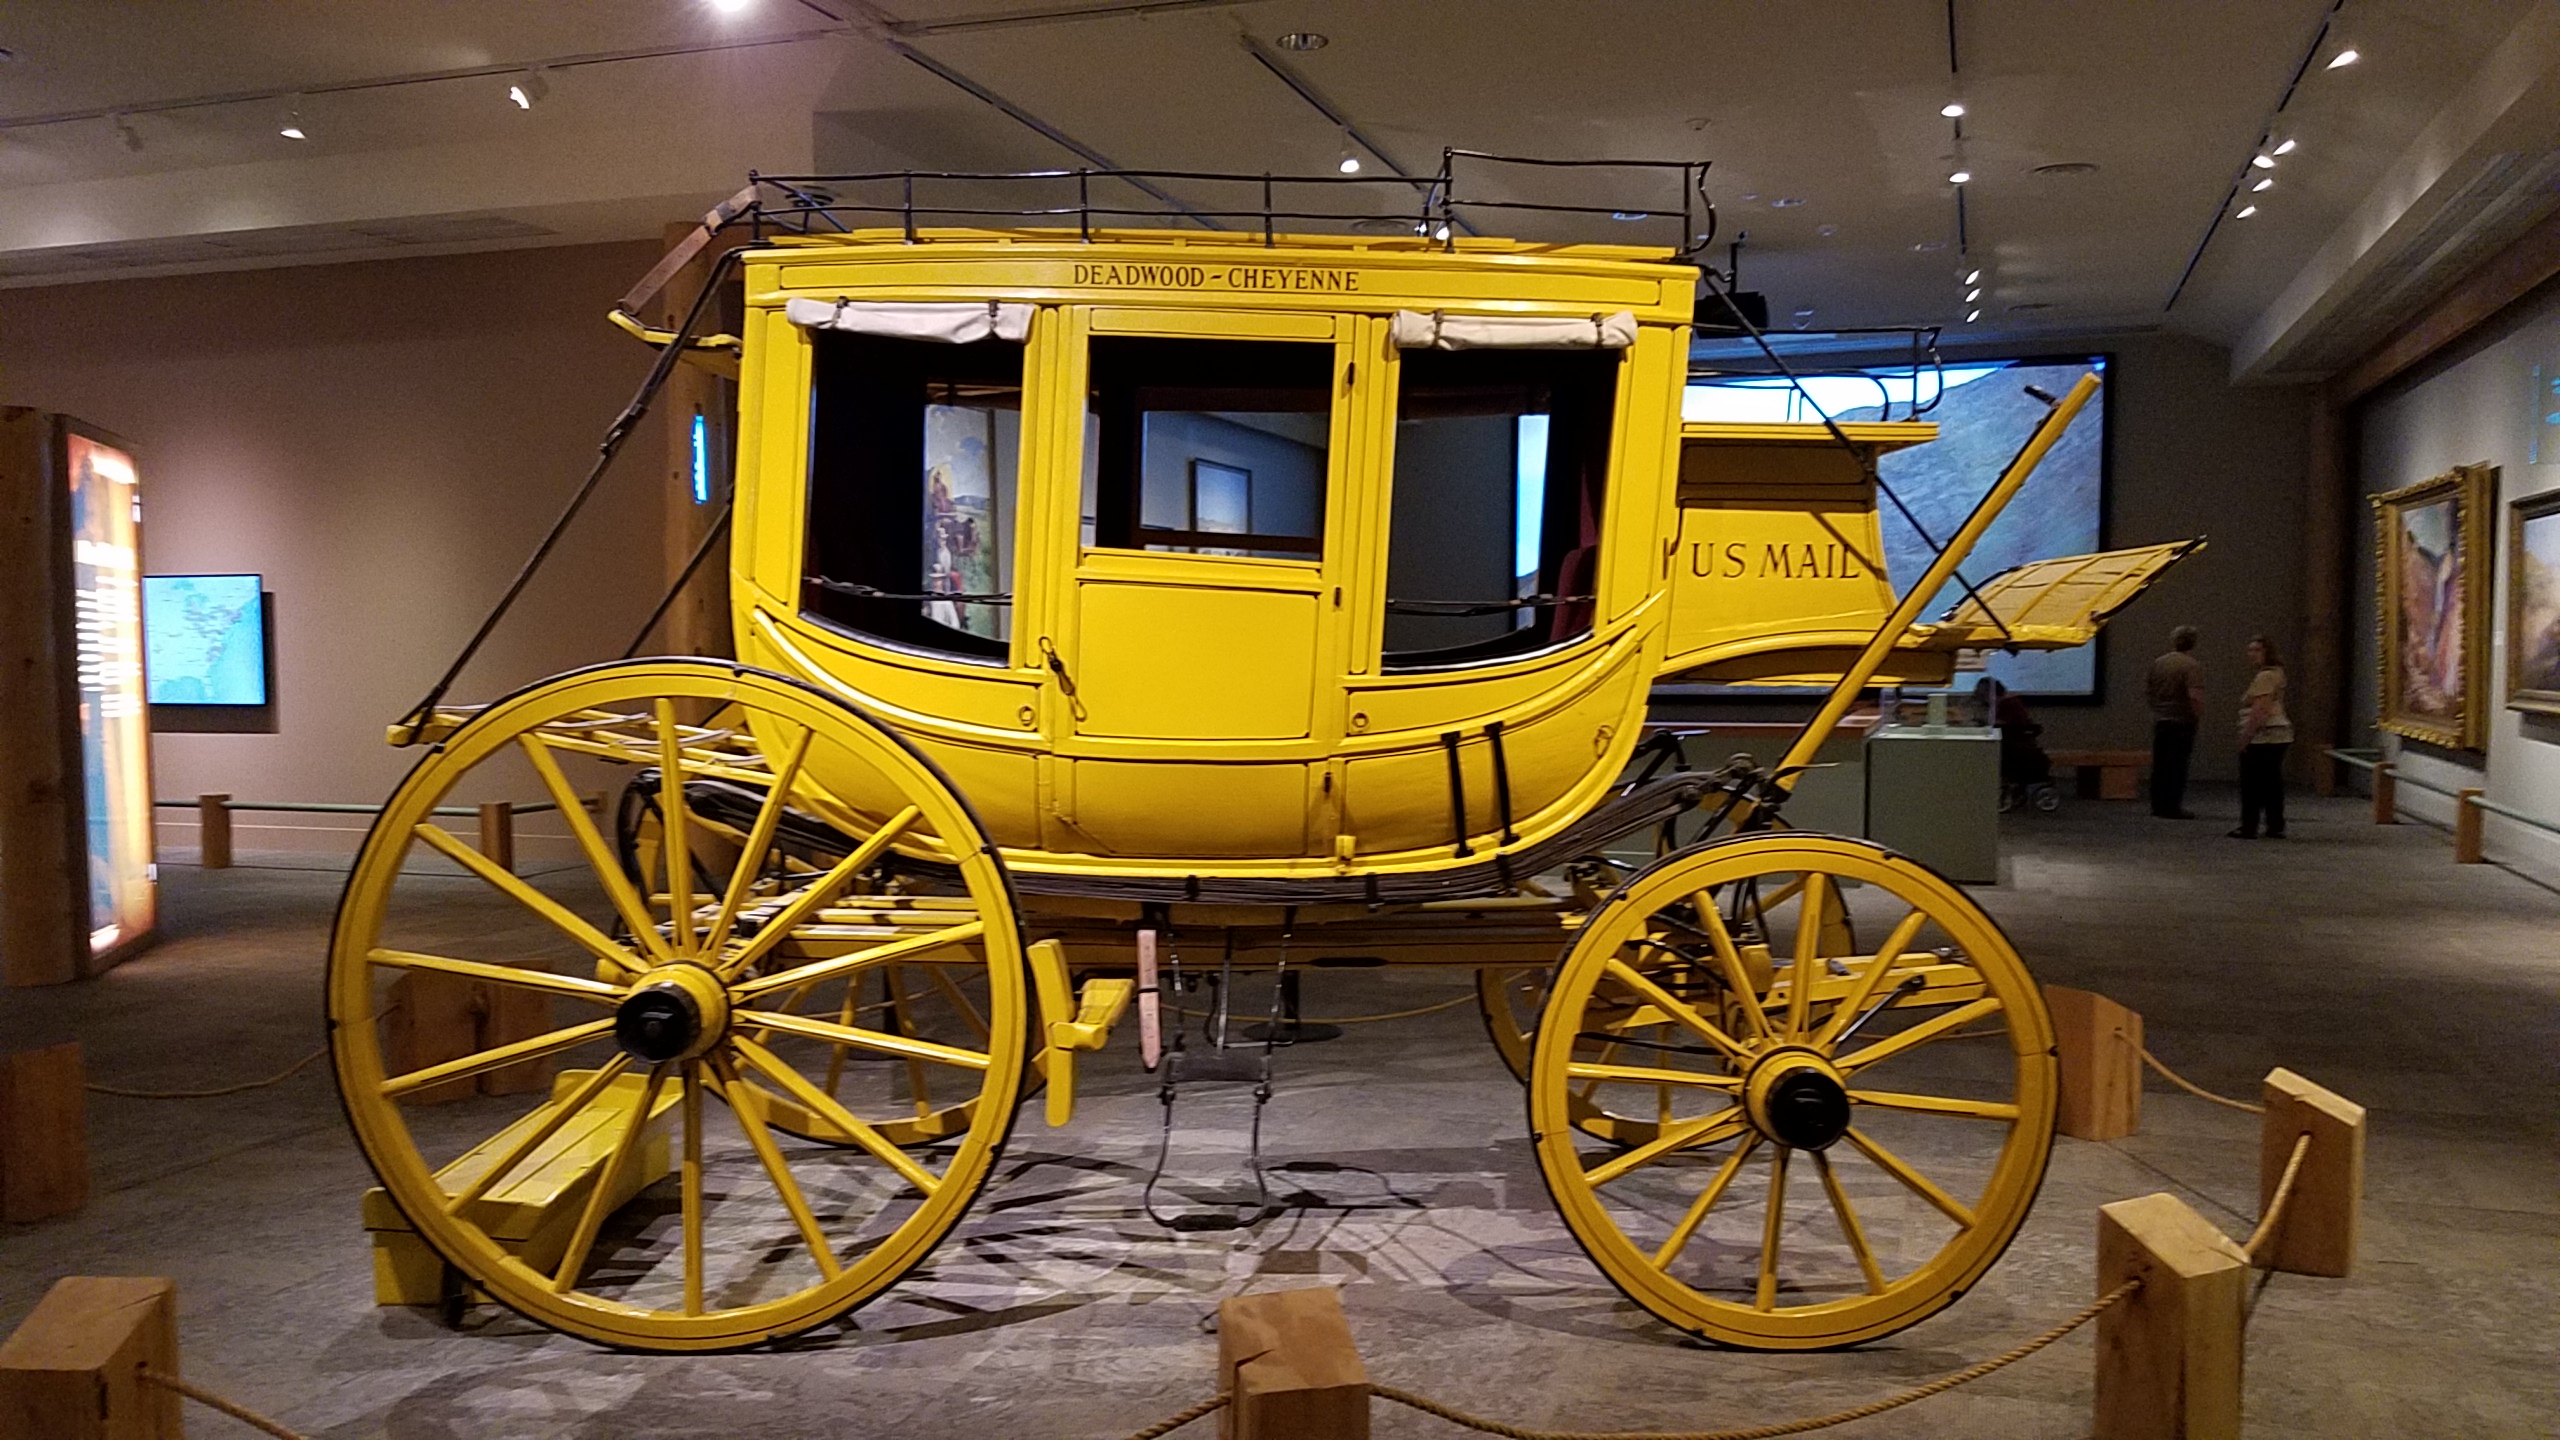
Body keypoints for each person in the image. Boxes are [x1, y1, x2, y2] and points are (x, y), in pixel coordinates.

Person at [2232, 635, 2292, 839]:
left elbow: (2260, 709)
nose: (2252, 654)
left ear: (2268, 652)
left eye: (2257, 650)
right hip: (2277, 734)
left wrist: (2246, 736)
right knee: (2271, 782)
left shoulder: (2265, 677)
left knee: (2252, 783)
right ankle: (2275, 824)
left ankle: (2249, 825)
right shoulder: (2276, 673)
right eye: (2250, 650)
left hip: (2265, 735)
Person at [2145, 626, 2206, 819]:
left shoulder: (2159, 663)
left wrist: (2157, 709)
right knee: (2177, 765)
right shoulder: (2191, 665)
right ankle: (2172, 806)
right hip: (2182, 721)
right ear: (2193, 643)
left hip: (2161, 719)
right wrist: (2197, 716)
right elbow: (2195, 695)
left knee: (2160, 764)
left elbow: (2149, 690)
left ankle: (2157, 805)